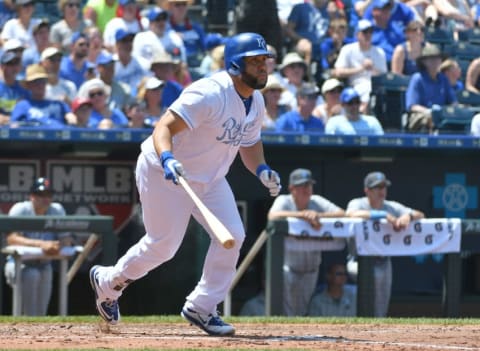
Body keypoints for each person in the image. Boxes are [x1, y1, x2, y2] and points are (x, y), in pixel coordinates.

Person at [88, 32, 282, 335]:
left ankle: (202, 306)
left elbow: (250, 144)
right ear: (234, 65)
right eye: (254, 61)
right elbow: (163, 126)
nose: (262, 66)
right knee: (163, 247)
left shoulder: (255, 102)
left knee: (233, 235)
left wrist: (262, 169)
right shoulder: (209, 93)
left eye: (264, 60)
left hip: (210, 179)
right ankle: (109, 282)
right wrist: (167, 157)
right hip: (165, 171)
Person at [267, 168, 345, 316]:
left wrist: (318, 215)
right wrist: (301, 215)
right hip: (289, 268)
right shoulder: (284, 201)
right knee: (287, 312)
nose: (306, 189)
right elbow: (272, 216)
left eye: (308, 185)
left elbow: (342, 213)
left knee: (303, 311)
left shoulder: (317, 201)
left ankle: (300, 338)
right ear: (292, 188)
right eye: (301, 186)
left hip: (311, 270)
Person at [346, 171, 424, 317]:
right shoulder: (358, 203)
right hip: (358, 262)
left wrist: (408, 215)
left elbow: (420, 214)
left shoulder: (391, 206)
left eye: (384, 187)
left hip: (383, 261)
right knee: (371, 280)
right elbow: (350, 214)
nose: (382, 191)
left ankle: (377, 332)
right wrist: (382, 215)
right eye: (377, 187)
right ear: (367, 190)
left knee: (381, 308)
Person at [4, 177, 71, 316]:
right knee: (31, 275)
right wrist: (42, 244)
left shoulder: (57, 210)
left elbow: (66, 239)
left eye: (48, 195)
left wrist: (57, 245)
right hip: (19, 264)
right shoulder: (21, 209)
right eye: (41, 195)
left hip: (44, 264)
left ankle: (36, 335)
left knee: (41, 312)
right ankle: (23, 329)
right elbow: (11, 238)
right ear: (32, 196)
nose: (45, 199)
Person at [333, 19, 387, 113]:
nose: (368, 35)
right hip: (354, 86)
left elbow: (384, 75)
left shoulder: (379, 52)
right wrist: (361, 68)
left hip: (376, 87)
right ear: (357, 34)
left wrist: (372, 68)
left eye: (370, 32)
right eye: (365, 32)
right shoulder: (348, 50)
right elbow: (338, 72)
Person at [405, 43, 457, 133]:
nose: (435, 62)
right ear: (424, 61)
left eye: (438, 58)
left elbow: (453, 102)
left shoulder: (443, 79)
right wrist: (430, 112)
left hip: (442, 115)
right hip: (421, 116)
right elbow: (412, 106)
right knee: (430, 118)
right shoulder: (417, 78)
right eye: (431, 59)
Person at [10, 63, 75, 128]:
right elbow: (13, 127)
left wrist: (71, 119)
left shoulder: (59, 105)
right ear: (29, 85)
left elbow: (73, 121)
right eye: (35, 82)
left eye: (42, 81)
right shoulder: (22, 106)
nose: (40, 85)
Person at [0, 51, 29, 125]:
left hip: (17, 129)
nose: (14, 67)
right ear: (2, 66)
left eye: (16, 63)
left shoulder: (23, 89)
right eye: (10, 64)